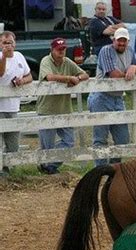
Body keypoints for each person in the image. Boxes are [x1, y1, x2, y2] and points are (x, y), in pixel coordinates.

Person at [88, 28, 136, 167]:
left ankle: (113, 168)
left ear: (128, 41)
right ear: (114, 40)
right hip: (101, 97)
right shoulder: (106, 50)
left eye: (124, 41)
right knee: (100, 137)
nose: (121, 43)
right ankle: (99, 169)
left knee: (123, 138)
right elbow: (113, 74)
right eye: (119, 40)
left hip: (118, 98)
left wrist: (134, 68)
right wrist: (129, 73)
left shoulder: (130, 51)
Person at [36, 38, 89, 175]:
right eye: (59, 49)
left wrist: (78, 79)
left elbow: (85, 74)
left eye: (63, 49)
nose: (61, 51)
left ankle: (49, 164)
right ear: (52, 50)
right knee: (47, 144)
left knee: (69, 141)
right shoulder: (45, 61)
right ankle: (49, 167)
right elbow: (49, 77)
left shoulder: (67, 62)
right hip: (46, 108)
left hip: (64, 108)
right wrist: (68, 79)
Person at [0, 31, 32, 175]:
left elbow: (29, 75)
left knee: (13, 144)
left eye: (10, 42)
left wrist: (21, 81)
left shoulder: (19, 56)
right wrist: (4, 58)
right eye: (4, 43)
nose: (8, 45)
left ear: (15, 43)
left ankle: (7, 172)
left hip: (13, 107)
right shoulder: (0, 57)